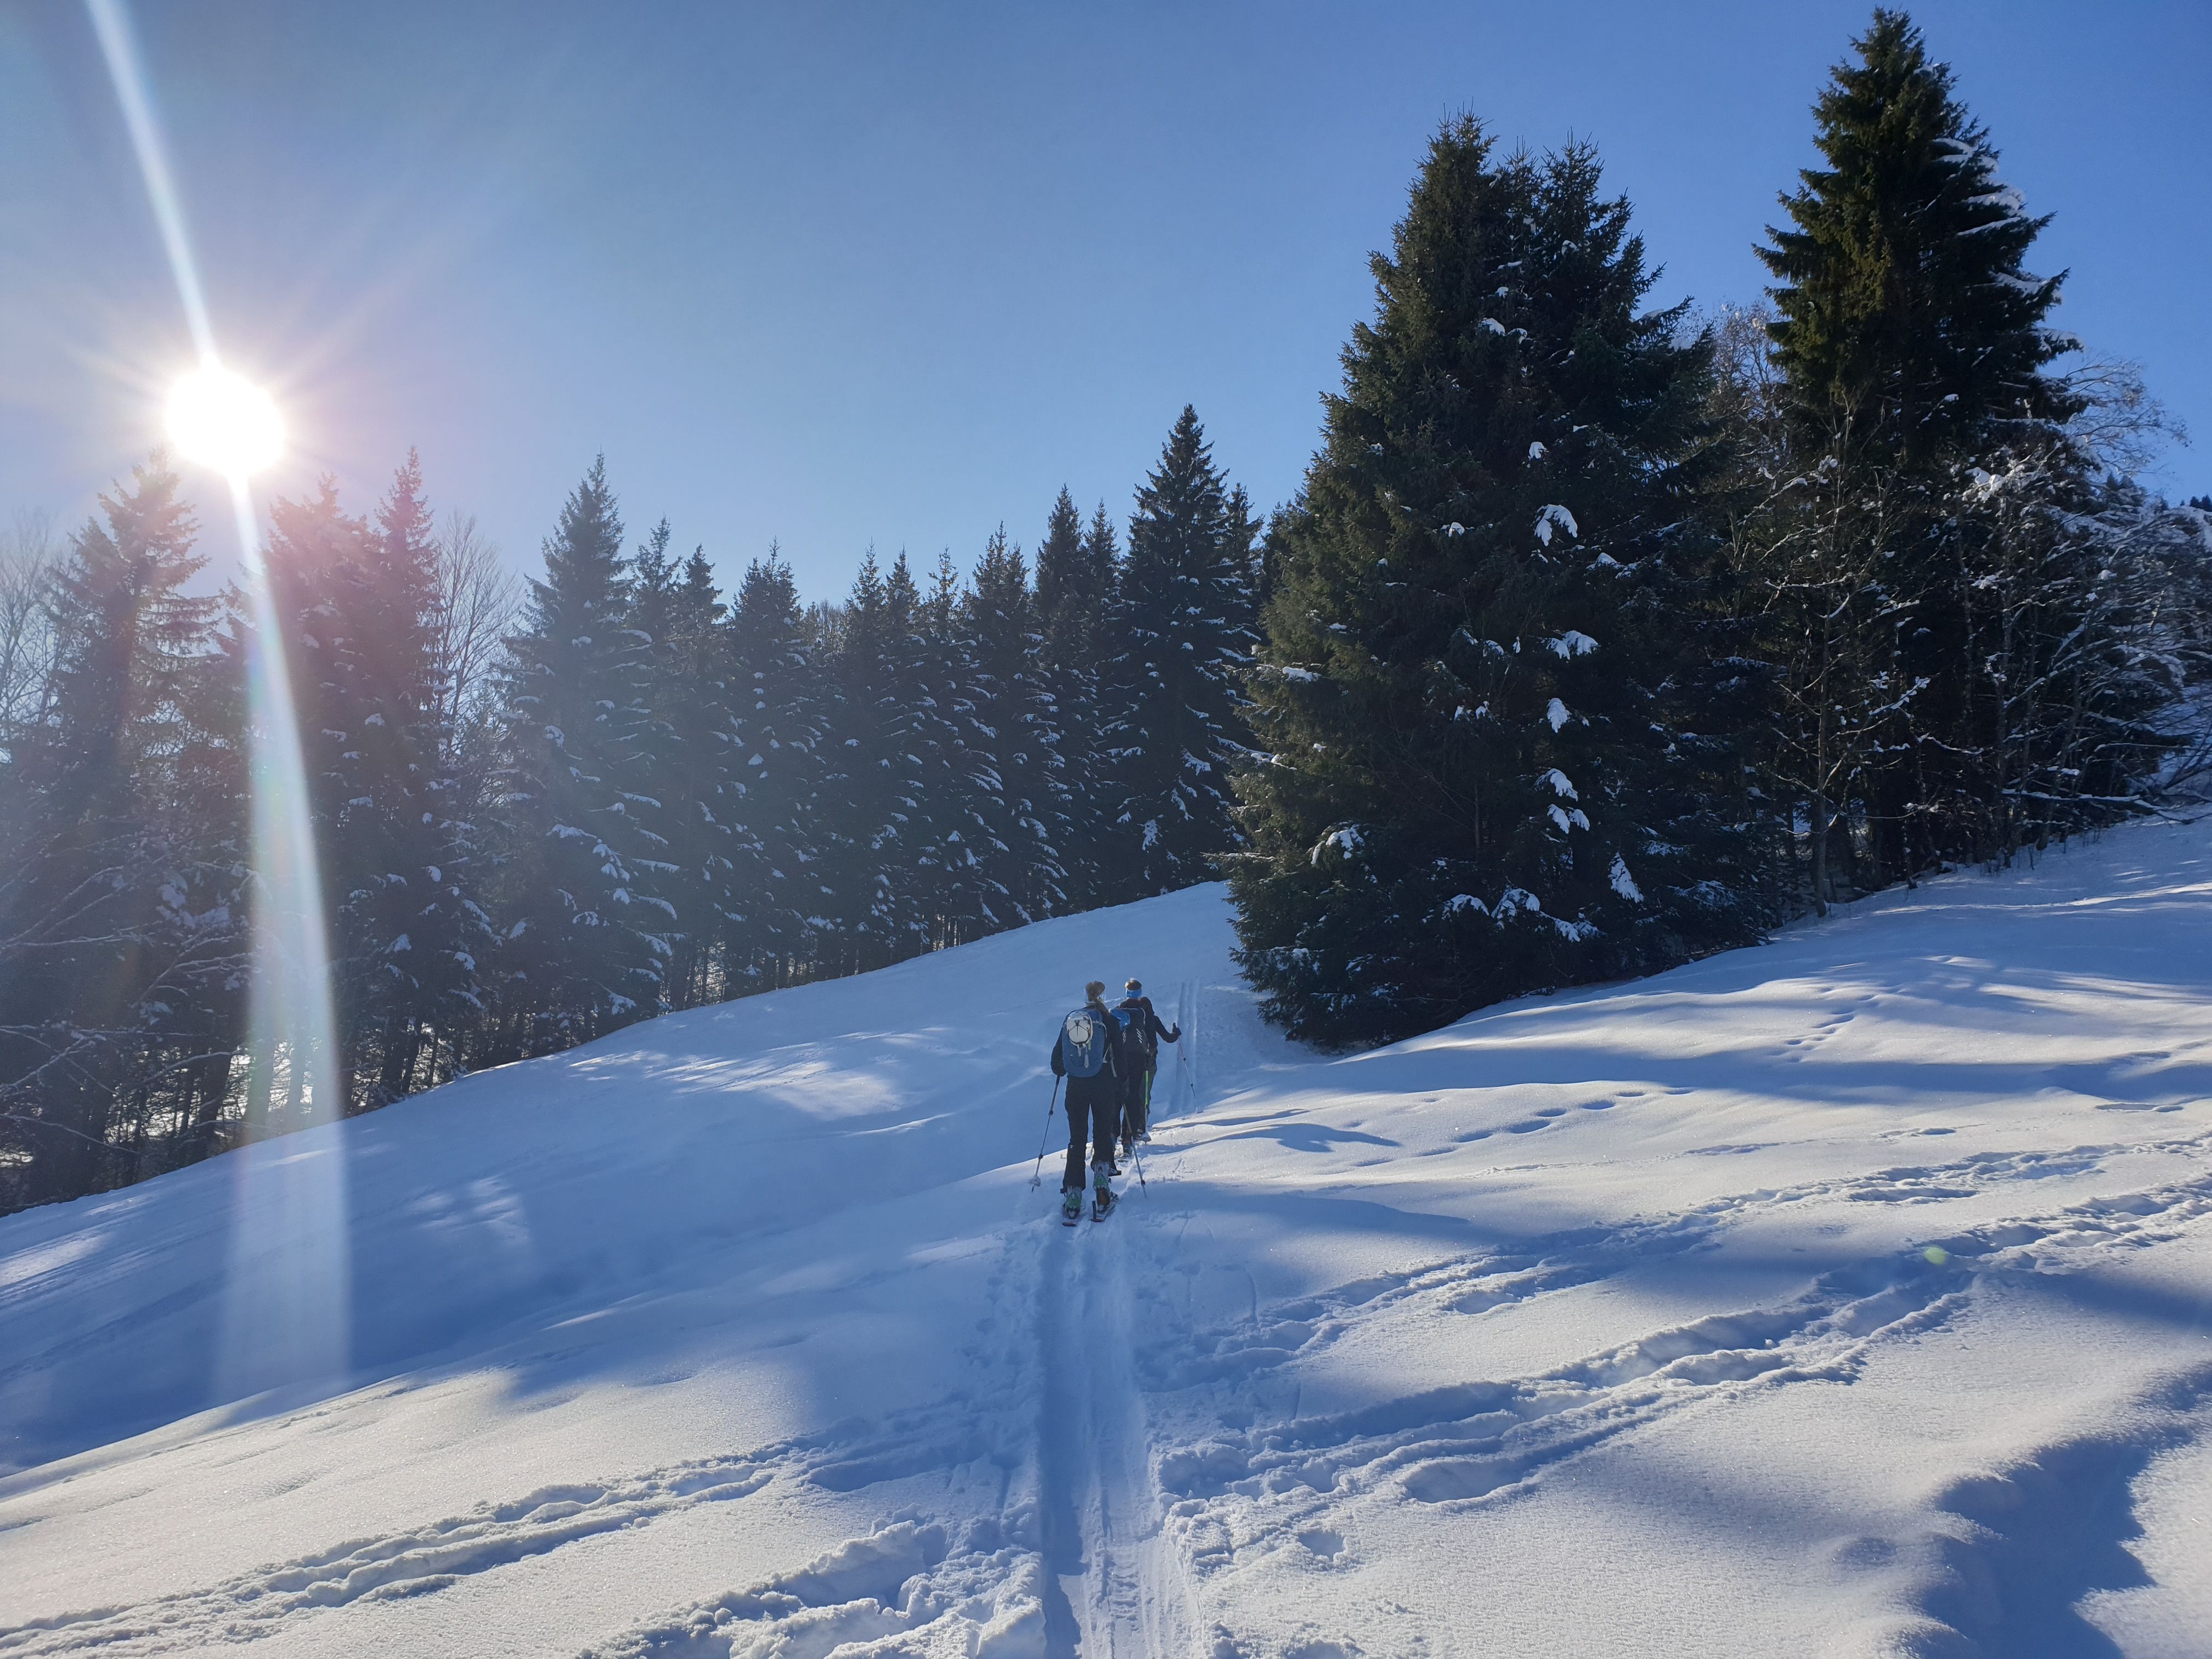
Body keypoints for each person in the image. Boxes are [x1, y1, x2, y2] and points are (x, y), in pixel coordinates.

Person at [1048, 980, 1123, 1220]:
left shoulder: (1072, 1019)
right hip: (1103, 1084)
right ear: (1103, 998)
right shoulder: (1109, 1021)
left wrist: (1070, 1068)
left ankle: (1073, 1195)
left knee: (1077, 1139)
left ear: (1085, 998)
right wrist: (1121, 1085)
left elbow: (1056, 1063)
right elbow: (1121, 1060)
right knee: (1102, 1133)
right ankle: (1102, 1187)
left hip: (1076, 1087)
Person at [1111, 978, 1181, 1154]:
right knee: (1138, 1095)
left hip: (1120, 1060)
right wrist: (1176, 1033)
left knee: (1119, 1096)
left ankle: (1113, 1134)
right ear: (1140, 993)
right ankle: (1134, 1132)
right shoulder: (1147, 1015)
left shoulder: (1119, 1011)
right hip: (1142, 1061)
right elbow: (1164, 1039)